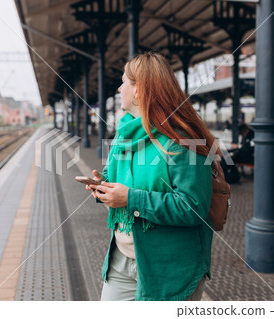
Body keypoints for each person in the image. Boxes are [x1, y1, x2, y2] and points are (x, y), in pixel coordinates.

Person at [84, 52, 216, 301]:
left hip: (169, 268)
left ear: (139, 90)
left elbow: (193, 207)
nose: (119, 87)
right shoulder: (124, 134)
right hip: (122, 259)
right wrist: (103, 187)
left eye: (125, 81)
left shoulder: (181, 140)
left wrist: (130, 198)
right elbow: (116, 178)